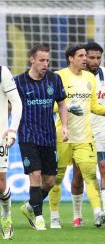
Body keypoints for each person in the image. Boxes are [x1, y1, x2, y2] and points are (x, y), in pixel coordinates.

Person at [48, 44, 105, 229]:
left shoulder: (98, 77)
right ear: (73, 58)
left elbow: (100, 104)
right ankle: (65, 216)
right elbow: (51, 105)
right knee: (64, 176)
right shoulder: (59, 76)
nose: (91, 60)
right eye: (86, 56)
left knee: (97, 171)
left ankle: (103, 213)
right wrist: (64, 107)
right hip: (65, 134)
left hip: (92, 132)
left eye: (98, 58)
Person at [67, 41, 105, 227]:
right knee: (79, 174)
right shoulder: (72, 77)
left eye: (98, 57)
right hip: (79, 129)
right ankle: (77, 215)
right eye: (91, 57)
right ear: (82, 57)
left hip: (101, 129)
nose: (95, 61)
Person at [14, 45, 68, 231]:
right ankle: (38, 218)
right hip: (27, 136)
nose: (45, 64)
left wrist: (65, 126)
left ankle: (30, 206)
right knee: (35, 175)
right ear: (32, 60)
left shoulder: (54, 79)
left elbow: (62, 104)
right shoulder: (18, 82)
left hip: (48, 137)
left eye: (47, 60)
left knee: (50, 181)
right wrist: (9, 129)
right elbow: (9, 106)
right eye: (42, 60)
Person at [0, 66, 22, 239]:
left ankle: (6, 214)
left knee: (0, 185)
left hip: (0, 135)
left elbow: (16, 101)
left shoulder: (2, 72)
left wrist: (12, 129)